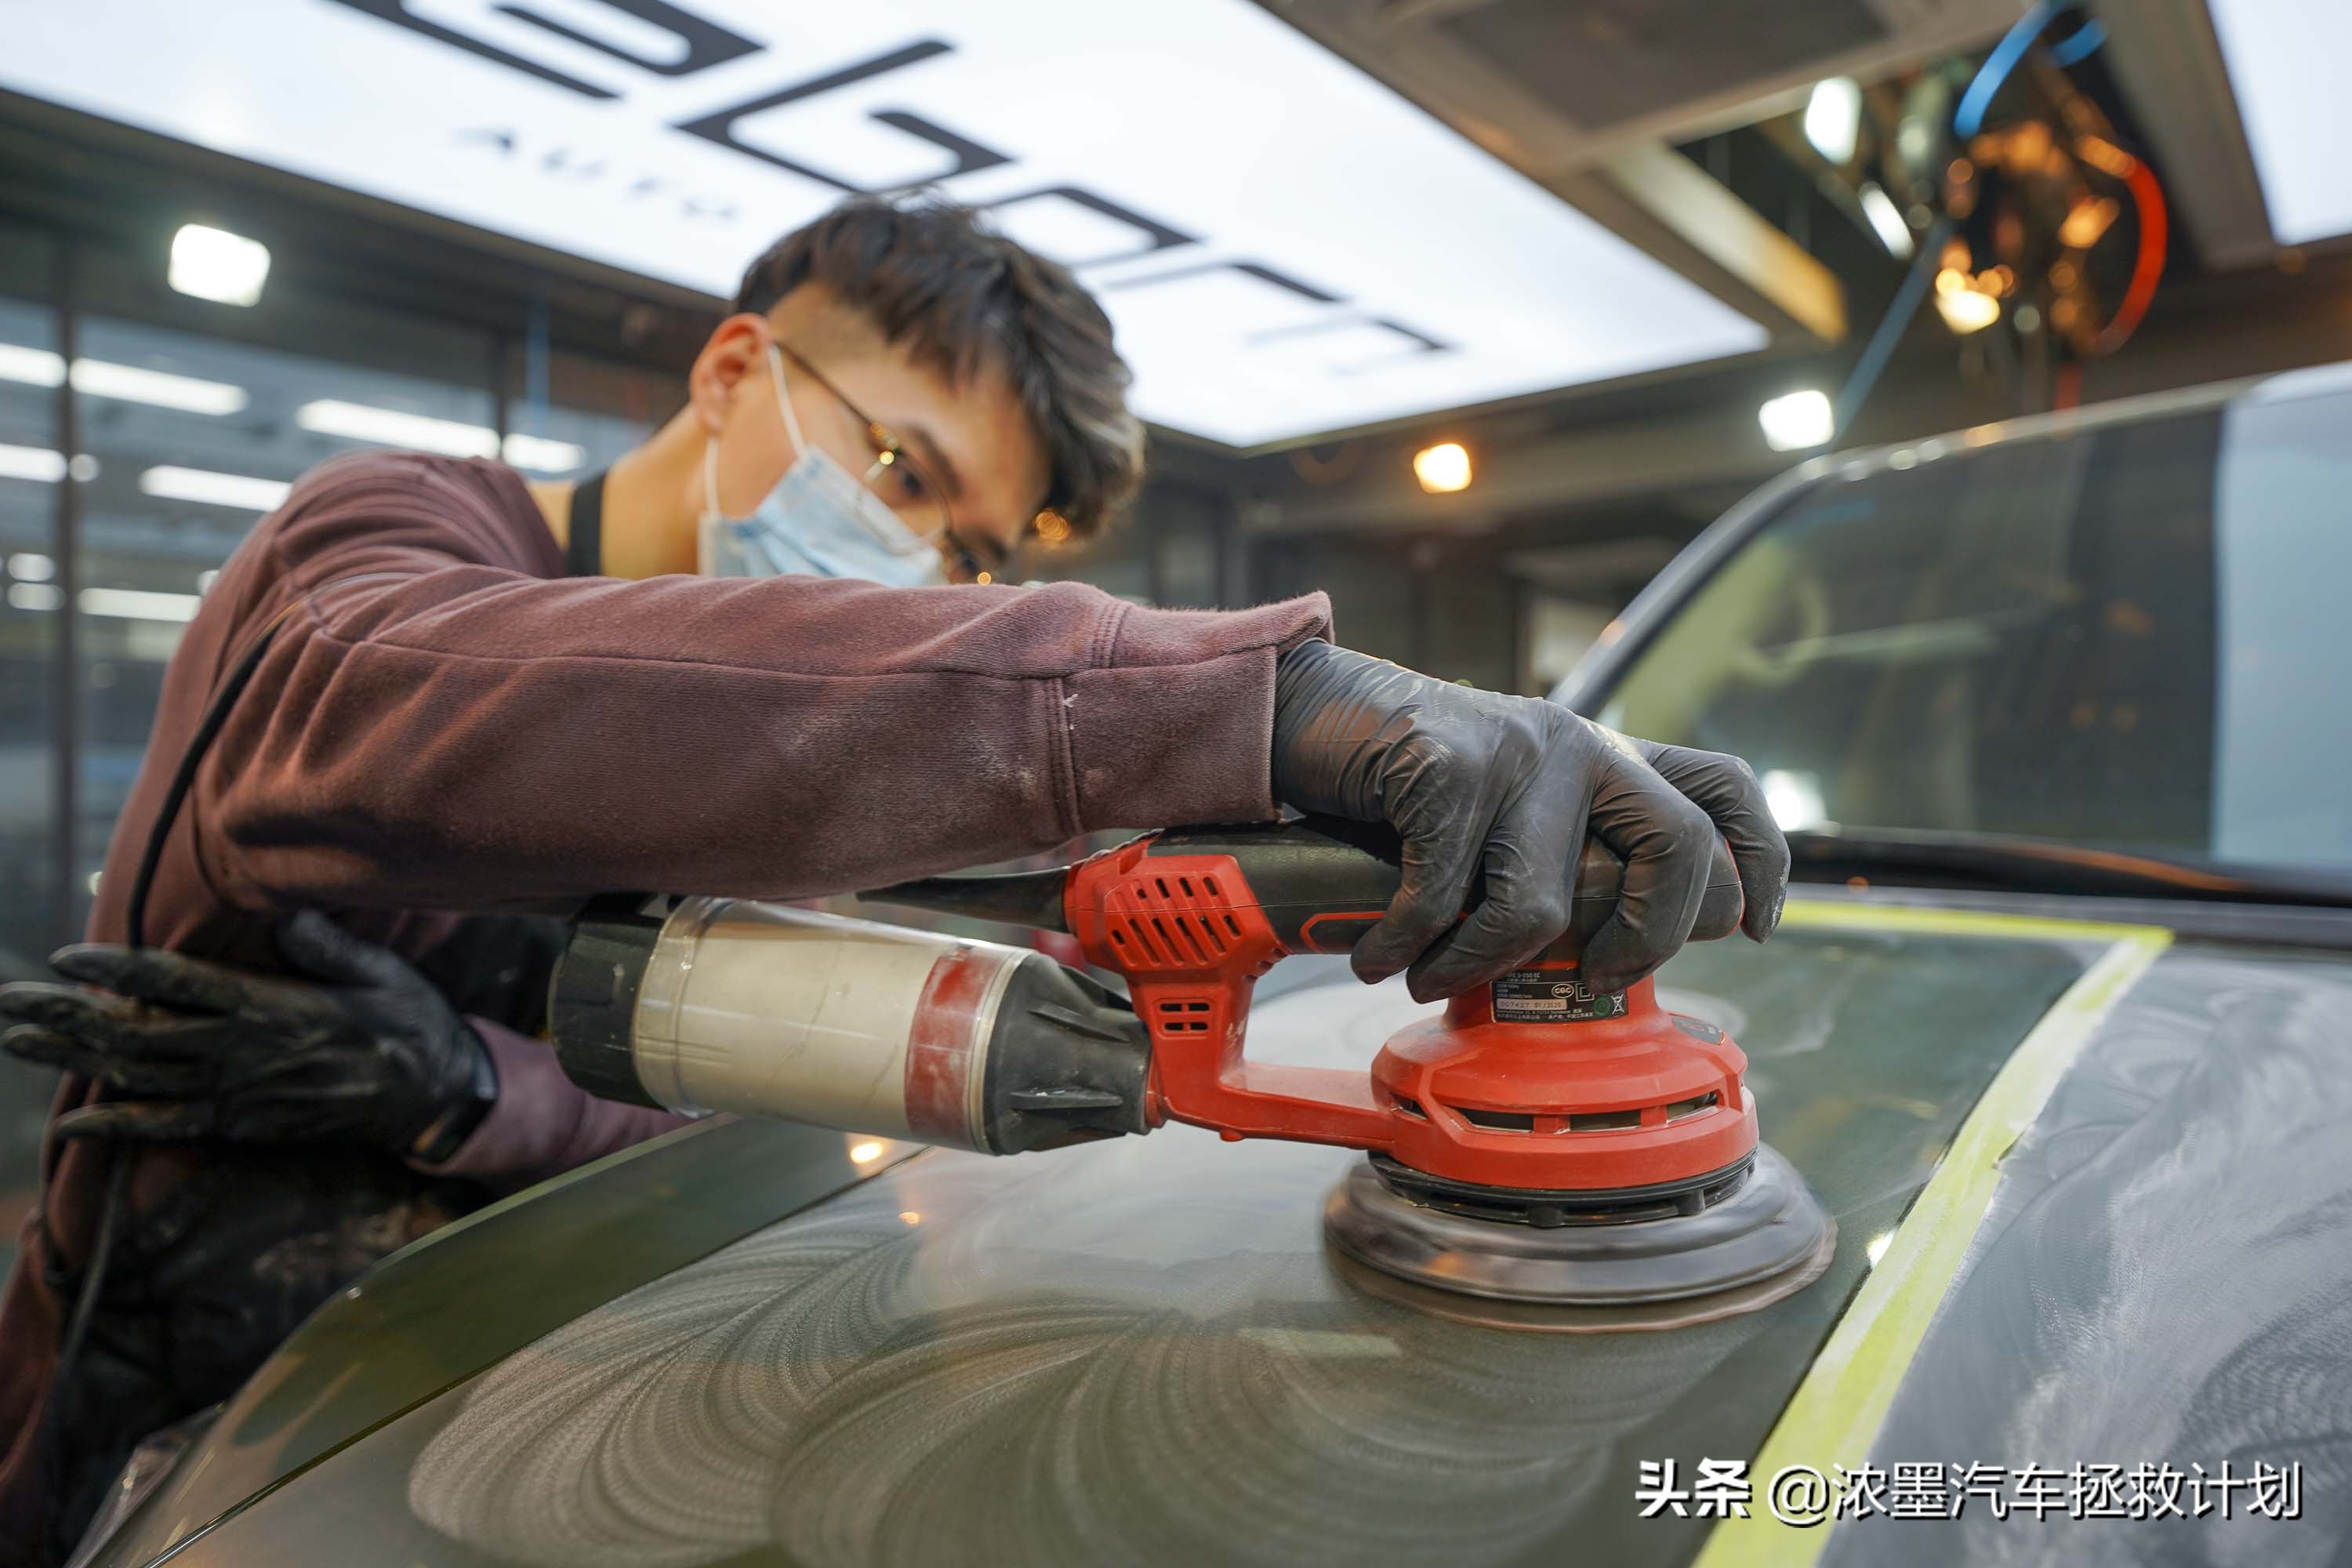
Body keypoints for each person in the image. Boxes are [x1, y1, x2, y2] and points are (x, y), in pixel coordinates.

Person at [0, 195, 1788, 1565]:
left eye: (969, 549)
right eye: (906, 476)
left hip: (523, 1401)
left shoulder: (809, 773)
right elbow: (412, 706)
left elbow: (728, 1073)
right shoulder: (384, 543)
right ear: (732, 373)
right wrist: (1263, 705)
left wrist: (482, 1092)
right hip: (175, 1434)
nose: (924, 569)